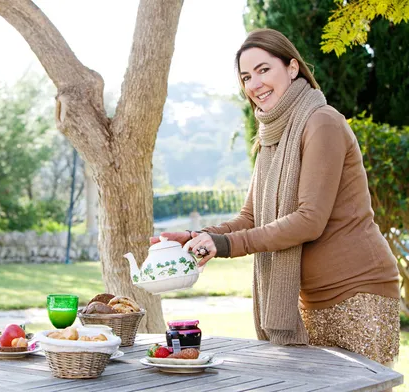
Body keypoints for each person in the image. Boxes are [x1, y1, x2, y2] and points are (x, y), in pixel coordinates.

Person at [151, 28, 400, 366]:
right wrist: (200, 237)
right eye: (246, 76)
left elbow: (309, 220)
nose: (255, 84)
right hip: (310, 301)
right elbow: (251, 218)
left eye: (264, 69)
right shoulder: (271, 136)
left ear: (293, 68)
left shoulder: (321, 123)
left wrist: (224, 246)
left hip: (356, 296)